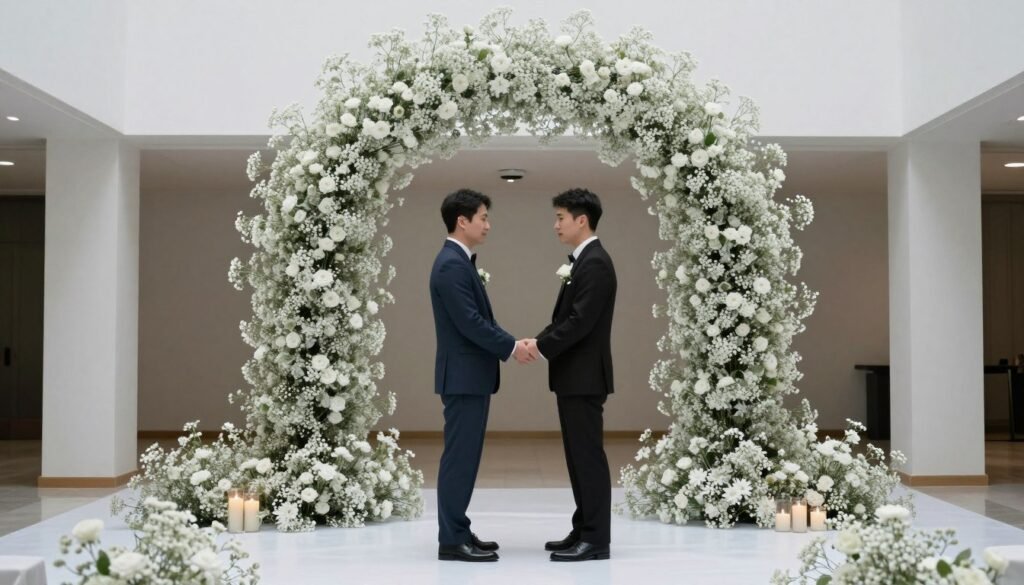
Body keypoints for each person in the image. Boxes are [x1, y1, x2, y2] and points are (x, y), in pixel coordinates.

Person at [429, 188, 534, 562]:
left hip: (468, 376)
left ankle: (458, 528)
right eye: (483, 217)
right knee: (460, 458)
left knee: (465, 457)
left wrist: (509, 340)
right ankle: (452, 539)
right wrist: (511, 347)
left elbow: (479, 320)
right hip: (463, 377)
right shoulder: (451, 265)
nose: (488, 225)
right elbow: (471, 323)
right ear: (463, 220)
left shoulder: (459, 262)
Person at [523, 188, 617, 562]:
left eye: (561, 217)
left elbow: (580, 322)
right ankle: (583, 527)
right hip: (574, 377)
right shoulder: (584, 261)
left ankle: (596, 539)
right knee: (578, 457)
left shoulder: (594, 262)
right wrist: (539, 339)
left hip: (584, 378)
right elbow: (566, 320)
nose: (556, 225)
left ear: (582, 220)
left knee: (587, 458)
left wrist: (539, 347)